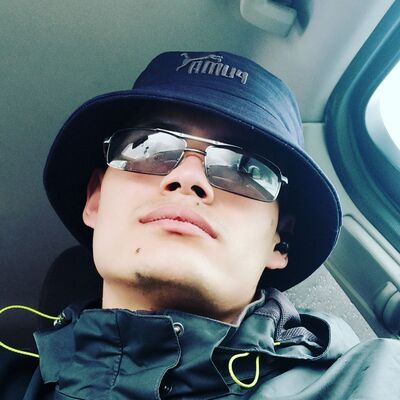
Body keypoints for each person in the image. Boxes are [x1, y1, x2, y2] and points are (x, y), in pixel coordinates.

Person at [8, 51, 399, 398]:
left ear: (280, 240)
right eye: (147, 146)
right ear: (95, 199)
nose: (188, 178)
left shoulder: (373, 380)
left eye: (245, 169)